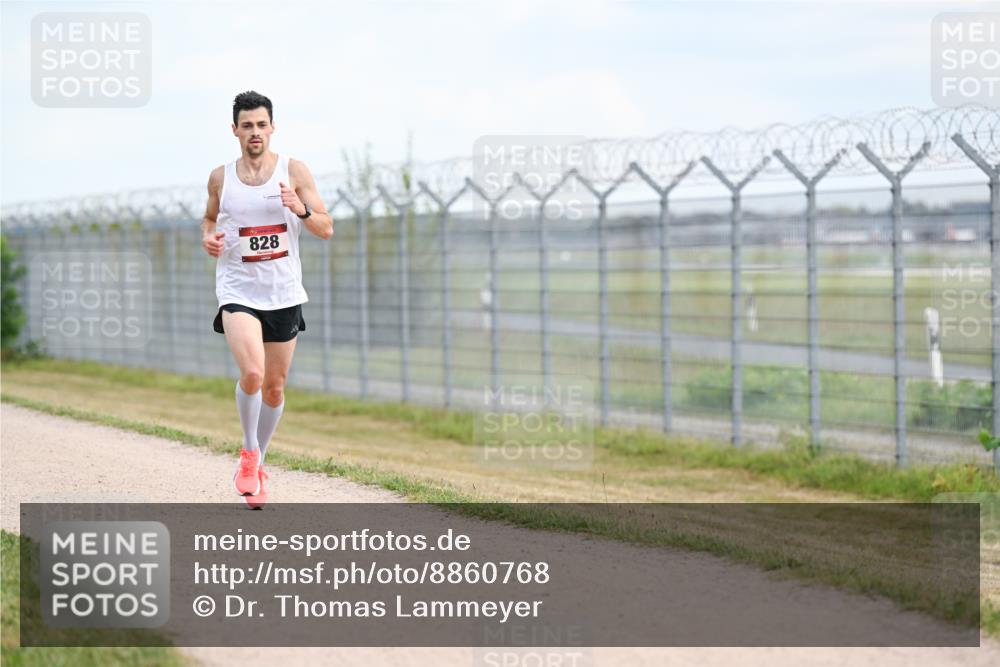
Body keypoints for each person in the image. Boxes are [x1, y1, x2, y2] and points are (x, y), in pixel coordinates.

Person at [200, 90, 333, 509]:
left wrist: (301, 210)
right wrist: (209, 237)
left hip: (283, 292)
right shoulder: (221, 177)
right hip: (238, 288)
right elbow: (209, 217)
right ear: (234, 130)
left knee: (274, 388)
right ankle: (248, 451)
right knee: (253, 374)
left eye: (261, 125)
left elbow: (326, 228)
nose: (254, 132)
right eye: (247, 125)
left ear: (272, 127)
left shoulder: (294, 170)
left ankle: (260, 462)